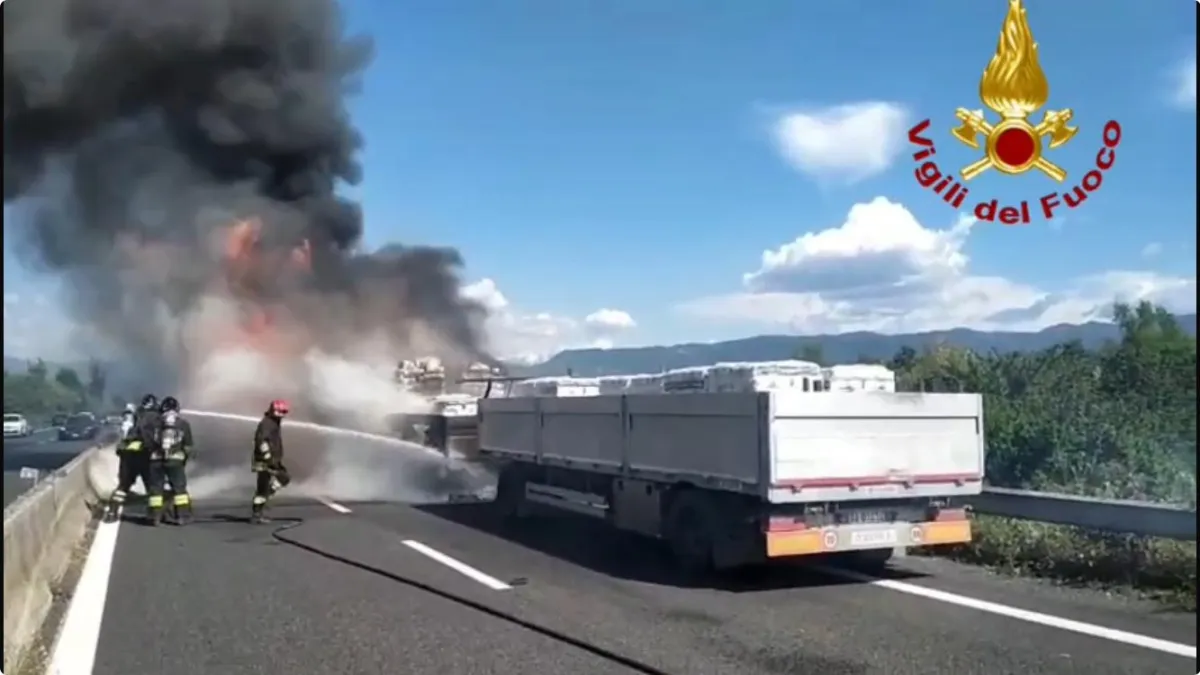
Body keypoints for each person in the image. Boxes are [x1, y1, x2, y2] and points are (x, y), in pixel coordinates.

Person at [147, 396, 196, 525]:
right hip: (175, 461)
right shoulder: (183, 424)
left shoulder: (153, 424)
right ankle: (182, 516)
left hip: (156, 460)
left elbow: (148, 442)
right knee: (179, 490)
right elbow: (188, 446)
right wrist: (183, 460)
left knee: (156, 490)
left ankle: (154, 517)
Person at [103, 399, 153, 523]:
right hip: (144, 458)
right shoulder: (153, 424)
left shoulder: (131, 427)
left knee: (122, 487)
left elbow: (120, 447)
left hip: (128, 458)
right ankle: (154, 515)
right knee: (153, 488)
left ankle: (112, 512)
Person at [251, 399, 291, 524]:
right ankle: (257, 513)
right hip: (265, 461)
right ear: (273, 410)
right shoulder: (267, 424)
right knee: (270, 484)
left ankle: (262, 504)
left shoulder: (274, 423)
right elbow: (261, 441)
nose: (282, 415)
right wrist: (268, 457)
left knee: (279, 479)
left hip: (271, 460)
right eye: (279, 412)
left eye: (284, 412)